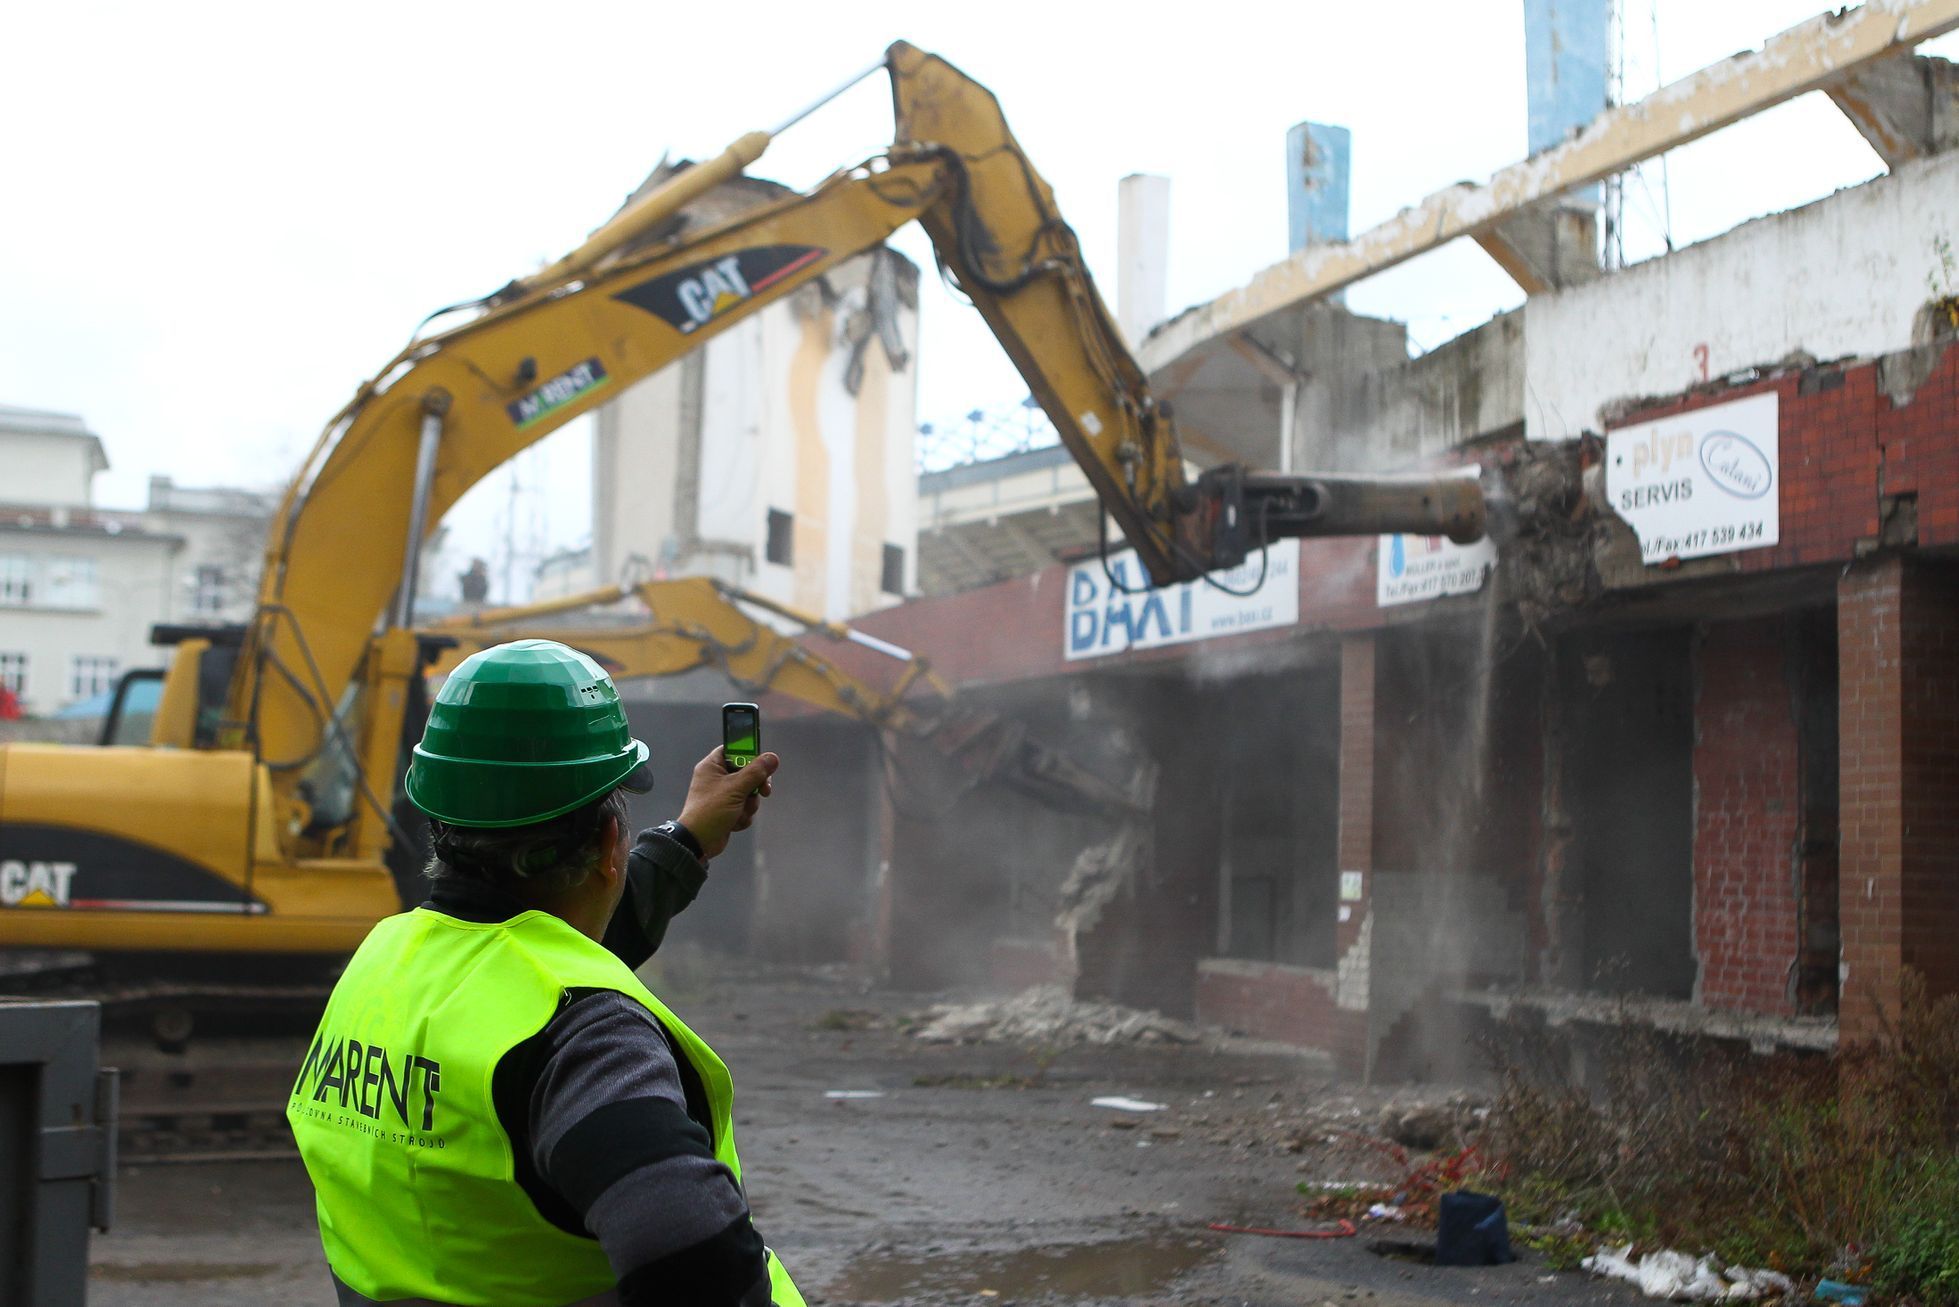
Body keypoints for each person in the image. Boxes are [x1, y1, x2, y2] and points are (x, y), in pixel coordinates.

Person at [287, 639, 804, 1307]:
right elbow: (692, 1257)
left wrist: (687, 838)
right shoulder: (587, 1037)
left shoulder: (384, 962)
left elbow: (539, 962)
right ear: (609, 846)